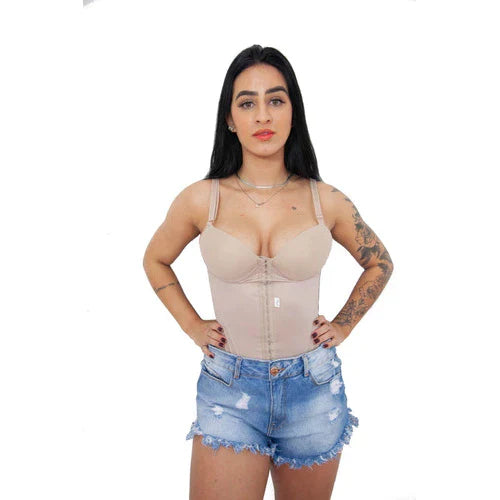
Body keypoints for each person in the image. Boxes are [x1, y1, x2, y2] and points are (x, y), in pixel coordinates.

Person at [142, 44, 394, 500]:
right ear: (229, 118)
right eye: (247, 103)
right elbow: (155, 258)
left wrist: (343, 325)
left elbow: (379, 262)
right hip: (230, 389)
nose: (263, 115)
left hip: (312, 387)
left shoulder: (326, 200)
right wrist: (191, 325)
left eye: (276, 100)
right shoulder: (201, 199)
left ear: (293, 112)